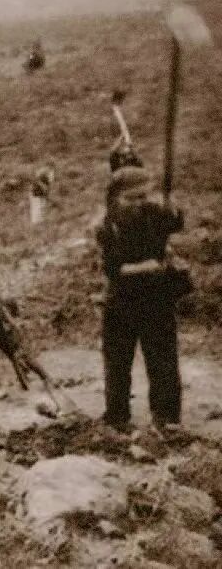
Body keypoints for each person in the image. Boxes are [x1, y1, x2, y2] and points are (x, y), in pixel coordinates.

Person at [95, 166, 187, 434]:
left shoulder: (154, 213)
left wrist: (172, 208)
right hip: (121, 302)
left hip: (157, 300)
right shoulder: (107, 226)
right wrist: (150, 265)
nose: (138, 203)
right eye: (131, 198)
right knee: (118, 363)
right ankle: (117, 417)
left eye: (143, 196)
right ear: (115, 198)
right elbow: (114, 269)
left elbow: (176, 223)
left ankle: (167, 418)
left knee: (163, 361)